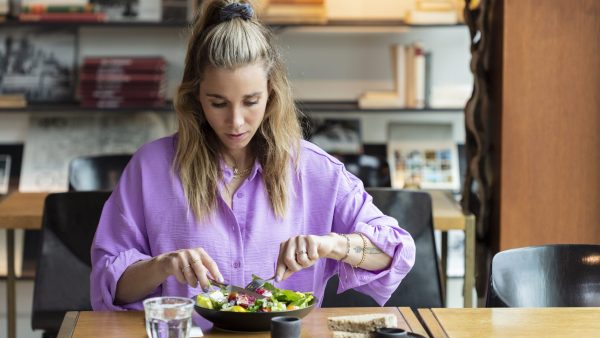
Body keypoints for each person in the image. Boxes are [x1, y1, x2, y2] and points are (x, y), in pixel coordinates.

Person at [90, 0, 415, 328]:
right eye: (218, 103)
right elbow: (109, 285)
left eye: (251, 102)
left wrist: (331, 244)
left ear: (272, 94)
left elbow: (396, 252)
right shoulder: (151, 169)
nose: (236, 121)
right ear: (196, 96)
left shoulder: (315, 171)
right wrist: (162, 266)